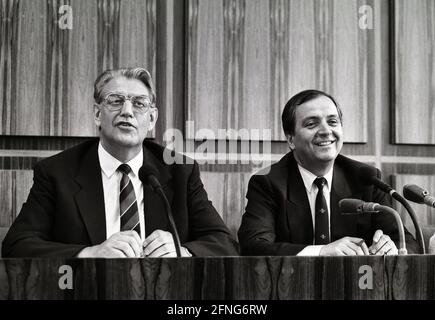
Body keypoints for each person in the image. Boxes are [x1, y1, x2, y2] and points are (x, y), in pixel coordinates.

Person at [2, 67, 239, 258]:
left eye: (139, 103)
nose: (127, 111)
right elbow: (18, 245)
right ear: (97, 114)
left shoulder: (180, 171)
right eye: (115, 101)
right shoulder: (56, 172)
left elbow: (225, 244)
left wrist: (183, 251)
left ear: (152, 118)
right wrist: (90, 253)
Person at [238, 89, 419, 256]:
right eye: (311, 124)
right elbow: (253, 246)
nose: (326, 131)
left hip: (358, 284)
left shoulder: (366, 178)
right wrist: (321, 251)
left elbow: (409, 243)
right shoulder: (268, 182)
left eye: (333, 122)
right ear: (291, 139)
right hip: (292, 285)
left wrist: (393, 248)